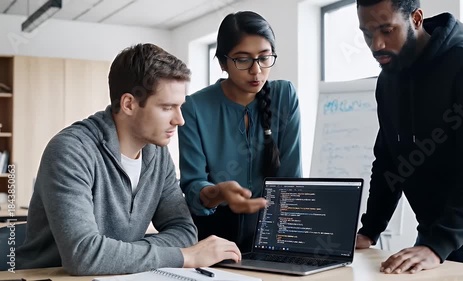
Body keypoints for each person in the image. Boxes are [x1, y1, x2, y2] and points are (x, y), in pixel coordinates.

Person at [16, 43, 241, 275]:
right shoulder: (70, 151)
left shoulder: (157, 154)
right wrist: (183, 256)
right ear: (129, 104)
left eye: (180, 107)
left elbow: (184, 231)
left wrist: (118, 255)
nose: (179, 120)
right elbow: (83, 255)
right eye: (167, 107)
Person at [355, 0, 463, 273]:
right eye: (367, 33)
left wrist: (438, 245)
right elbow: (389, 161)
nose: (376, 45)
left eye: (387, 30)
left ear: (417, 18)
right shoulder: (388, 80)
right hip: (431, 238)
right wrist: (370, 230)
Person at [178, 11, 302, 252]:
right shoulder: (194, 107)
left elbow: (291, 179)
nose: (256, 71)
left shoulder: (284, 96)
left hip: (272, 227)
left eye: (264, 58)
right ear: (223, 62)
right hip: (213, 231)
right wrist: (216, 193)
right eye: (243, 60)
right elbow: (193, 186)